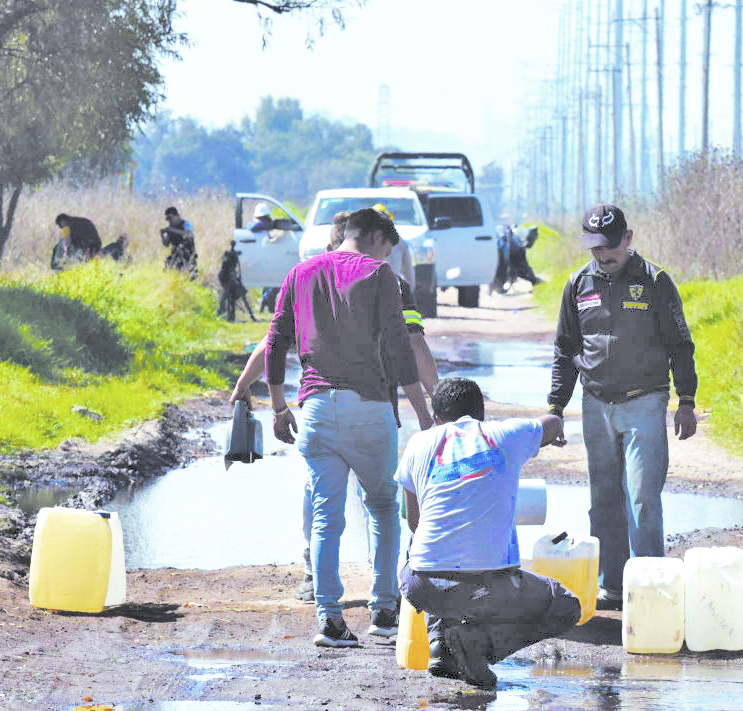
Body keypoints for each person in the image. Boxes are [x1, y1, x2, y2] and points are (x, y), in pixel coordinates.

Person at [233, 208, 438, 603]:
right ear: (378, 239)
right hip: (371, 407)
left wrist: (274, 404)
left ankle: (326, 610)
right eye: (388, 250)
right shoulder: (384, 278)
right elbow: (405, 346)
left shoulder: (300, 273)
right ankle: (383, 607)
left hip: (315, 409)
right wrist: (428, 412)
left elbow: (275, 341)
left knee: (325, 511)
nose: (387, 259)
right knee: (381, 508)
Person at [548, 203, 698, 611]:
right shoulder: (577, 286)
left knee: (642, 498)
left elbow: (680, 345)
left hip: (644, 403)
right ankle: (612, 586)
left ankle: (651, 589)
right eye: (596, 249)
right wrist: (555, 407)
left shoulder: (654, 282)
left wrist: (686, 399)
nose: (604, 256)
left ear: (628, 239)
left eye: (610, 247)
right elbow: (565, 351)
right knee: (604, 498)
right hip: (596, 405)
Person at [397, 377, 576, 689]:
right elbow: (553, 421)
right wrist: (553, 432)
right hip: (492, 584)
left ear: (437, 419)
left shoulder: (418, 443)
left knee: (426, 544)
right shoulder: (506, 433)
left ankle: (443, 650)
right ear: (481, 414)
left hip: (421, 583)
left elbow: (415, 521)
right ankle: (477, 645)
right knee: (566, 605)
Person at [217, 240, 257, 322]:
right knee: (227, 295)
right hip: (228, 277)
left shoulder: (228, 256)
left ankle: (228, 316)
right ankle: (222, 313)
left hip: (229, 277)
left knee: (230, 296)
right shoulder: (229, 257)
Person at [161, 206, 198, 278]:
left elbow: (189, 235)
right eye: (167, 219)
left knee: (190, 277)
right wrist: (163, 236)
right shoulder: (170, 228)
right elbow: (166, 244)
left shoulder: (186, 224)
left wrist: (171, 230)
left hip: (188, 257)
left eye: (170, 218)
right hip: (175, 258)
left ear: (177, 216)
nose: (169, 221)